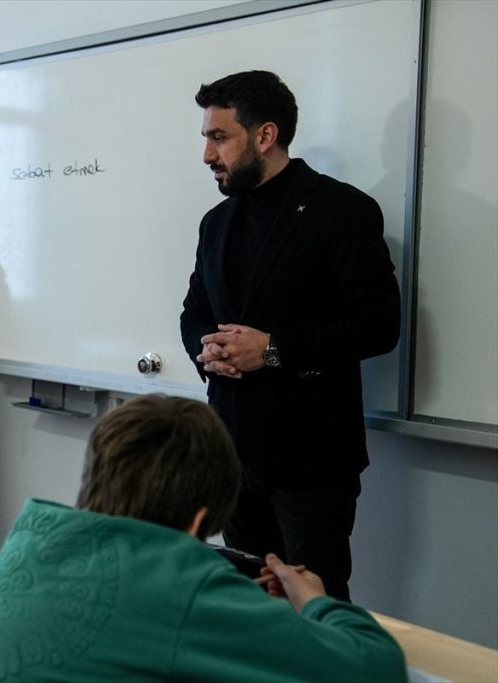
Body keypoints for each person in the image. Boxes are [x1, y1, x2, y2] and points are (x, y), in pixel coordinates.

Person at [0, 394, 407, 683]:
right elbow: (375, 669)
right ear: (203, 516)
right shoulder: (180, 589)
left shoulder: (32, 540)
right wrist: (315, 603)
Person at [180, 70, 401, 601]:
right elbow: (195, 313)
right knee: (249, 603)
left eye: (219, 137)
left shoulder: (342, 212)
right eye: (206, 138)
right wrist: (207, 350)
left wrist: (272, 350)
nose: (208, 155)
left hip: (312, 459)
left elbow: (378, 325)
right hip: (234, 453)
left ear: (264, 136)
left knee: (314, 605)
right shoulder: (216, 223)